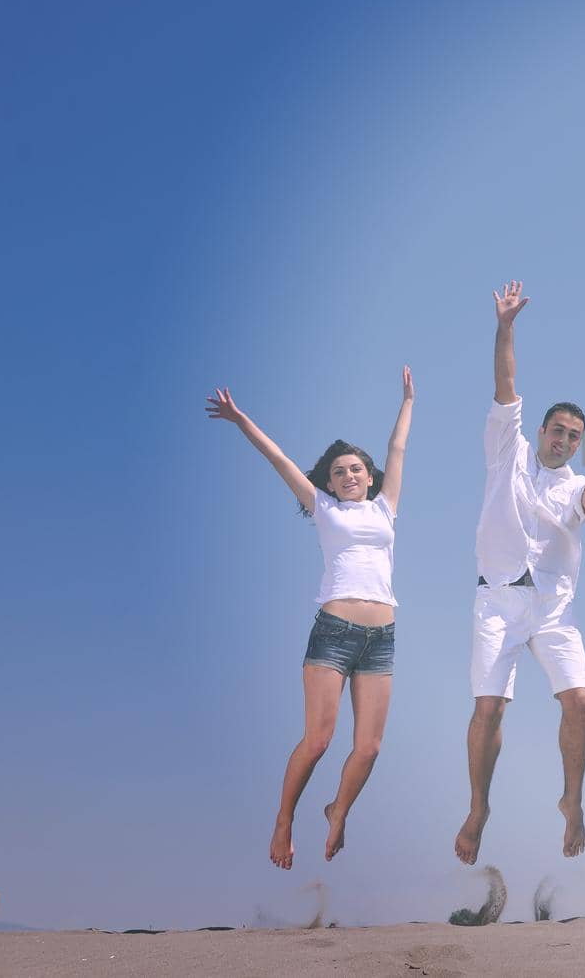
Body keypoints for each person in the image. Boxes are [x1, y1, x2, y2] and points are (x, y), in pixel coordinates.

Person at [455, 281, 585, 866]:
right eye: (558, 431)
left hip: (552, 608)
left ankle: (572, 799)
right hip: (496, 600)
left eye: (574, 436)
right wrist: (506, 326)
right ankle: (479, 807)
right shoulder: (507, 448)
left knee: (579, 703)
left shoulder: (575, 485)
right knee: (488, 709)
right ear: (542, 430)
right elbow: (505, 383)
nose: (564, 440)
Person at [206, 367, 414, 869]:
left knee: (368, 749)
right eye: (338, 471)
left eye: (355, 470)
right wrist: (239, 420)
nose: (348, 476)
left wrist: (408, 400)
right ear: (328, 481)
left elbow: (398, 449)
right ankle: (283, 819)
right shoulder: (322, 507)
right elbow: (278, 458)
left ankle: (336, 810)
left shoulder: (386, 508)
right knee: (319, 738)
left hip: (381, 636)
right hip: (335, 633)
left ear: (369, 477)